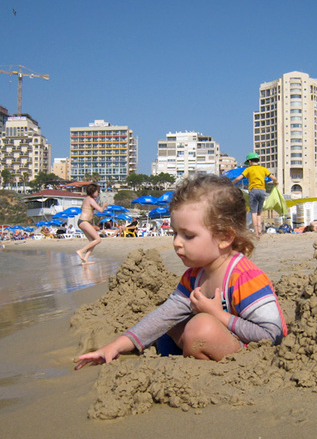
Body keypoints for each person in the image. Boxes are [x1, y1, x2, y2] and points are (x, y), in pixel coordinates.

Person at [75, 174, 287, 368]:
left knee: (200, 327)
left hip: (245, 351)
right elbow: (164, 316)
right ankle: (174, 358)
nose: (177, 243)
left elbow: (272, 334)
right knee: (168, 322)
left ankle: (198, 365)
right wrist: (117, 345)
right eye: (175, 233)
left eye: (188, 236)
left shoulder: (244, 277)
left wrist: (217, 314)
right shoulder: (194, 276)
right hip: (215, 335)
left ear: (224, 237)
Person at [232, 152, 278, 237]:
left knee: (253, 212)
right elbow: (273, 178)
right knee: (259, 212)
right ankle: (260, 229)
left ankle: (256, 231)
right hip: (262, 191)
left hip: (253, 191)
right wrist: (275, 182)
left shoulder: (249, 169)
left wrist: (231, 183)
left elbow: (239, 178)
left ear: (249, 161)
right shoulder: (263, 169)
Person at [76, 183, 108, 264]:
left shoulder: (86, 199)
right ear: (93, 192)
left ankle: (85, 260)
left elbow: (82, 208)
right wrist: (104, 206)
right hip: (84, 221)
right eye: (97, 192)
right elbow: (100, 210)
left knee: (92, 241)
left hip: (82, 222)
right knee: (98, 239)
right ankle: (81, 251)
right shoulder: (91, 199)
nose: (98, 193)